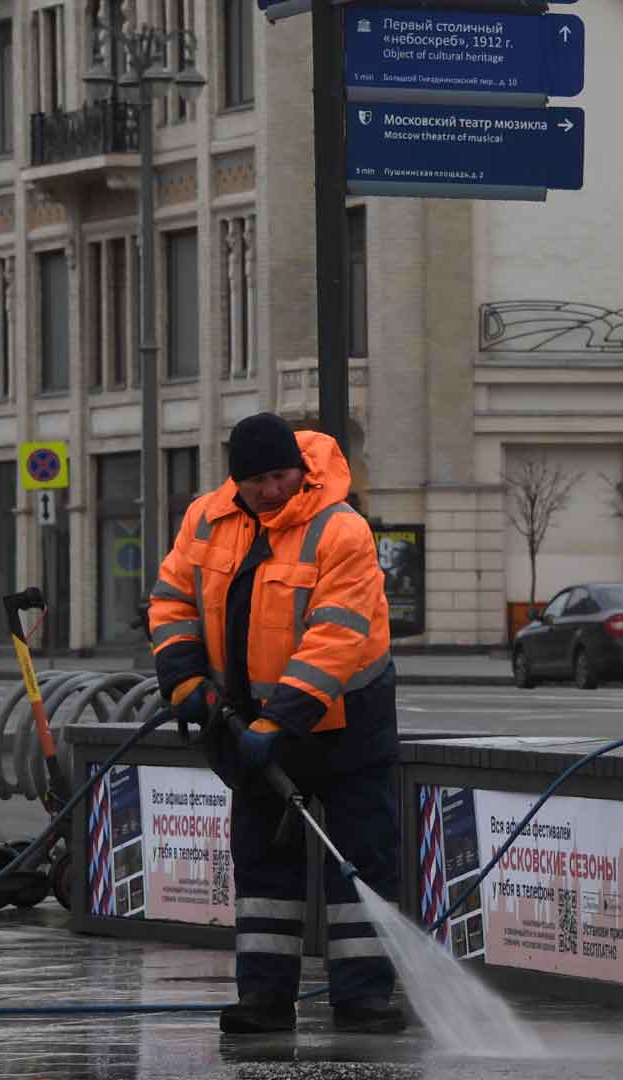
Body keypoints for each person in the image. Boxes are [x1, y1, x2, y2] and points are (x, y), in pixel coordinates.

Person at [147, 413, 404, 1036]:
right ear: (237, 480)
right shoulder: (206, 519)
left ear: (300, 468)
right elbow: (171, 599)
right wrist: (185, 681)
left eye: (280, 475)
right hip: (247, 729)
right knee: (263, 873)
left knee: (362, 862)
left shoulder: (340, 529)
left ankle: (363, 999)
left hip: (345, 728)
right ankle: (263, 1001)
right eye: (256, 479)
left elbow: (336, 637)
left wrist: (280, 722)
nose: (269, 489)